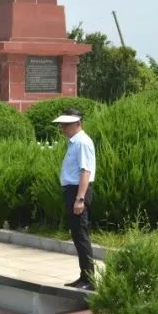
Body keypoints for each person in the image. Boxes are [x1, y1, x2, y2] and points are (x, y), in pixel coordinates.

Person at [54, 109, 97, 289]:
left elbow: (85, 171)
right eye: (62, 125)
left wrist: (80, 199)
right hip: (72, 191)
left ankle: (89, 280)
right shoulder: (74, 143)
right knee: (77, 235)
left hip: (78, 192)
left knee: (81, 235)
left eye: (66, 124)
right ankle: (84, 276)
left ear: (78, 123)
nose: (63, 128)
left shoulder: (82, 143)